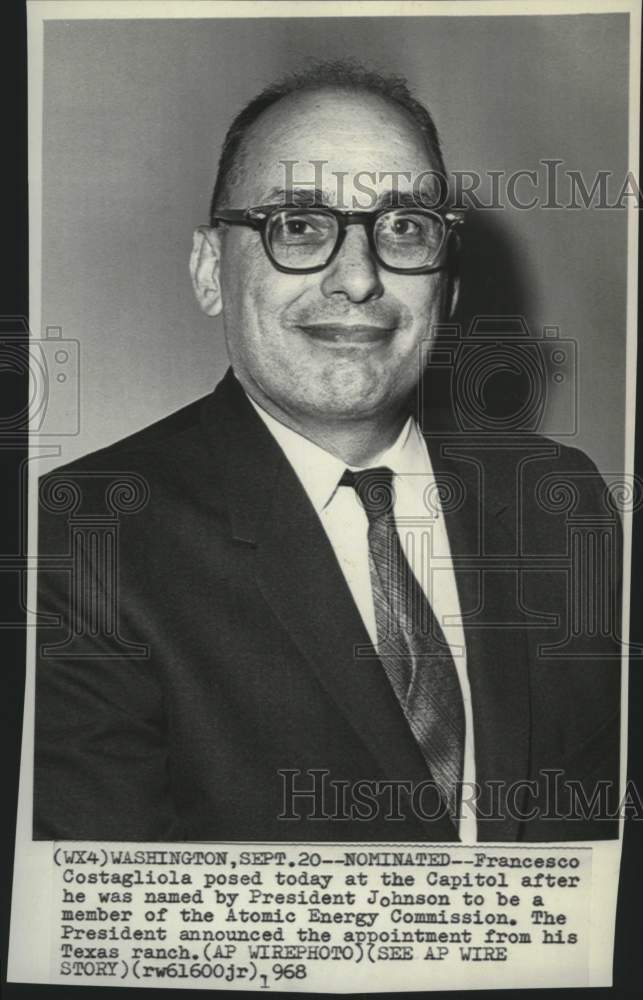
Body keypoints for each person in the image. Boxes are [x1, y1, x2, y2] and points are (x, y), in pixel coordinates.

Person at [33, 62, 621, 843]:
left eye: (404, 227)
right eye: (299, 226)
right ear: (211, 271)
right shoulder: (81, 538)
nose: (357, 278)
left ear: (445, 286)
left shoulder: (561, 499)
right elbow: (92, 921)